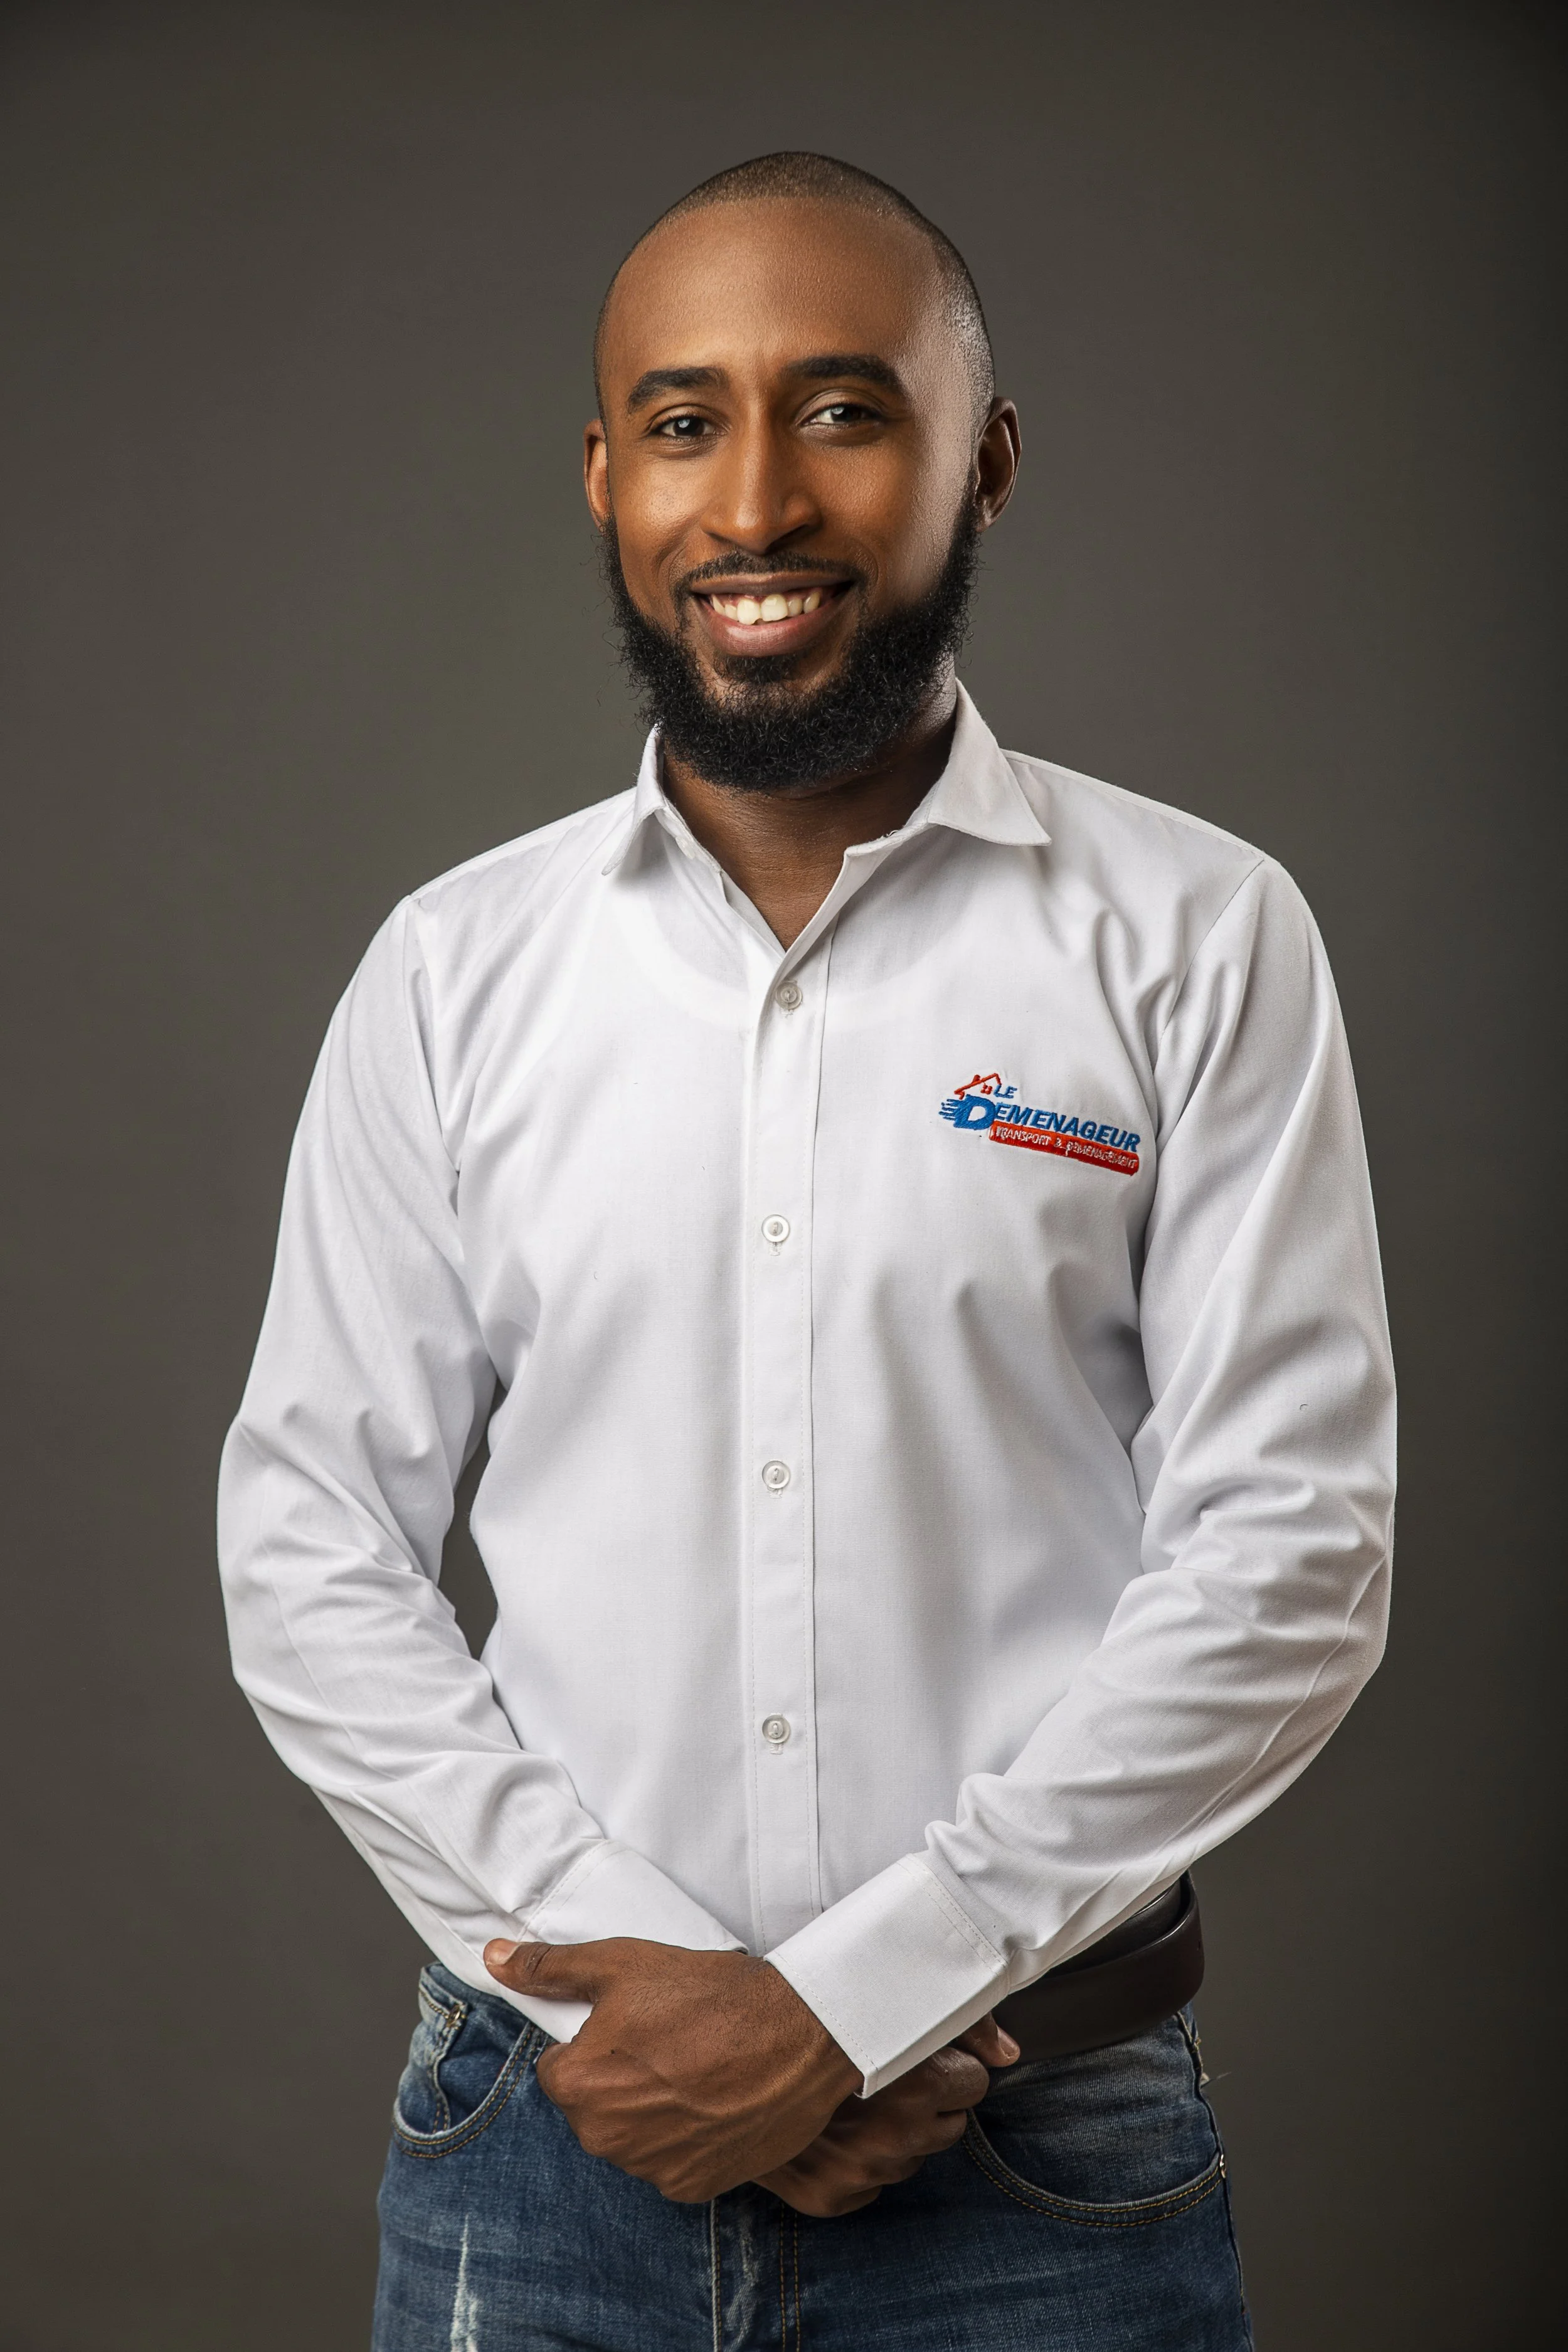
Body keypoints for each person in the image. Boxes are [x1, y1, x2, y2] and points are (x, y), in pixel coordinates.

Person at [218, 152, 1395, 2351]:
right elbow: (305, 1537)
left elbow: (1291, 1550)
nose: (750, 499)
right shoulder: (451, 971)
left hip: (1038, 2140)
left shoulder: (1199, 940)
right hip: (544, 2122)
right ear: (604, 472)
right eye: (682, 421)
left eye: (845, 410)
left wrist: (853, 1999)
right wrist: (645, 2007)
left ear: (988, 457)